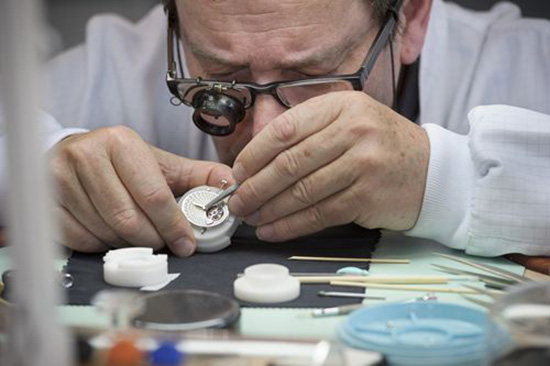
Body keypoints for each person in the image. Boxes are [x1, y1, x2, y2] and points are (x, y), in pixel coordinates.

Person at [1, 0, 549, 257]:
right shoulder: (119, 61)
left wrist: (444, 180)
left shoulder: (528, 65)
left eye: (312, 76)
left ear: (413, 20)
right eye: (222, 76)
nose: (266, 134)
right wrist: (39, 167)